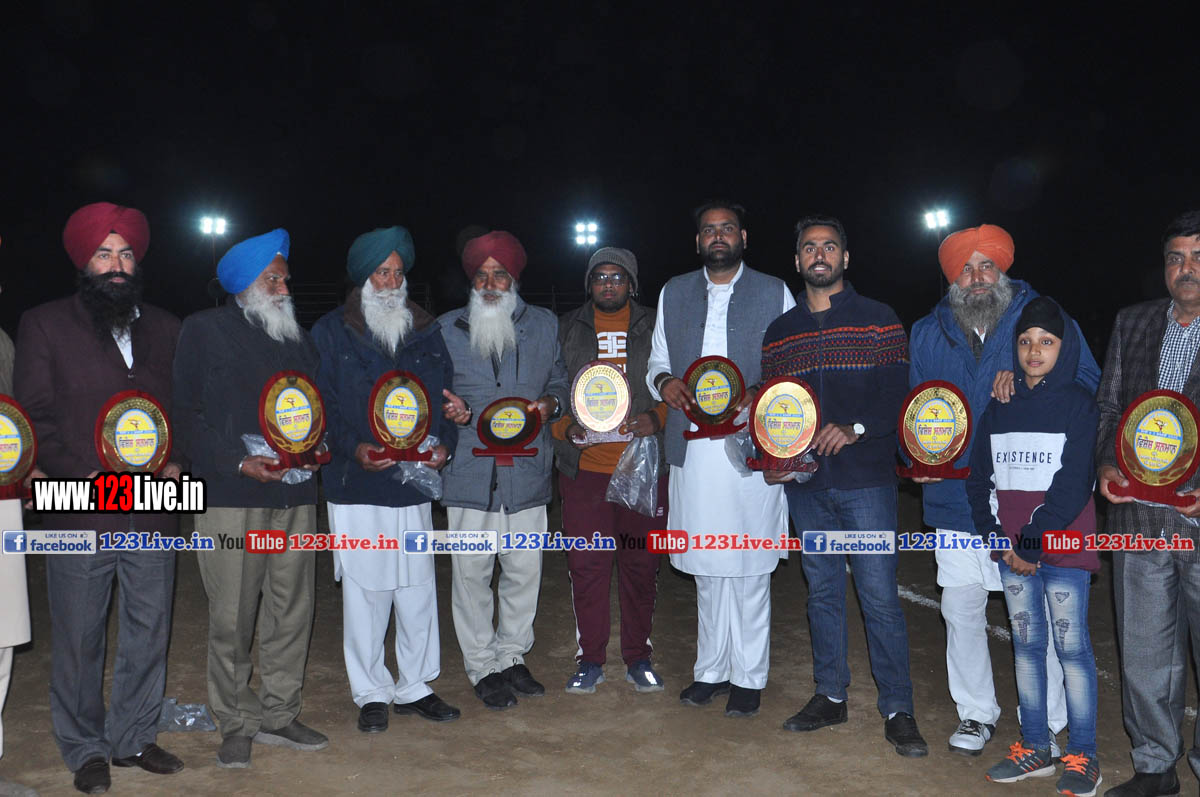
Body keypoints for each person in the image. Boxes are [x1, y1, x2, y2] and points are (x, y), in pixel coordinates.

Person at [908, 223, 1100, 755]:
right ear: (952, 279)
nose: (977, 277)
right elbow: (915, 409)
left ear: (1004, 271)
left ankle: (1050, 724)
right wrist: (915, 456)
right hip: (954, 498)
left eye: (986, 266)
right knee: (960, 608)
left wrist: (1034, 384)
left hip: (1027, 500)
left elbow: (1088, 382)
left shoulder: (1040, 317)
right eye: (966, 269)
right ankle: (975, 714)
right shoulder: (926, 331)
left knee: (1034, 620)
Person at [14, 202, 184, 793]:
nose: (116, 264)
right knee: (79, 634)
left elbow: (182, 409)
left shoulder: (167, 326)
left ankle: (133, 736)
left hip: (154, 506)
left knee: (150, 627)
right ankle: (85, 747)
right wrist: (80, 472)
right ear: (83, 263)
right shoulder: (44, 324)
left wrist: (179, 460)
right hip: (78, 505)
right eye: (104, 254)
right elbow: (34, 416)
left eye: (126, 253)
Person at [761, 215, 926, 755]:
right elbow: (773, 409)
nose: (820, 254)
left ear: (845, 258)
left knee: (879, 597)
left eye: (829, 246)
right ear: (797, 261)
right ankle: (830, 695)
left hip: (866, 483)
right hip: (807, 487)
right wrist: (772, 458)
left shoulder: (879, 319)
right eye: (810, 247)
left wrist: (855, 428)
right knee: (823, 594)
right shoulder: (780, 332)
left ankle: (899, 708)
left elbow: (898, 397)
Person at [173, 228, 327, 769]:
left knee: (292, 607)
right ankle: (236, 721)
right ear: (244, 284)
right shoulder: (204, 329)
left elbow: (314, 409)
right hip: (232, 495)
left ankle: (280, 713)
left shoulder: (298, 339)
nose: (284, 288)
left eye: (285, 278)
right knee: (233, 614)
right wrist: (236, 461)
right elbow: (183, 414)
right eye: (273, 279)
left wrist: (317, 445)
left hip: (295, 493)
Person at [646, 200, 794, 718]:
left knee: (750, 566)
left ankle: (749, 677)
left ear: (743, 238)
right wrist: (665, 383)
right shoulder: (673, 291)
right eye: (708, 230)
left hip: (750, 448)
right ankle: (710, 671)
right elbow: (657, 360)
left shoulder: (774, 290)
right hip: (692, 450)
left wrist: (758, 390)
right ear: (697, 242)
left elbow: (790, 361)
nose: (718, 236)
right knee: (708, 568)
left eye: (727, 228)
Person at [312, 226, 460, 733]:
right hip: (357, 483)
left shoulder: (426, 329)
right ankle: (371, 690)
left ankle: (415, 685)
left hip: (413, 483)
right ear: (363, 278)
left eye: (398, 272)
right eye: (382, 272)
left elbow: (446, 400)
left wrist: (445, 444)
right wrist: (353, 448)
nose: (392, 282)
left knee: (416, 587)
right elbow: (322, 407)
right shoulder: (331, 332)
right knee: (366, 591)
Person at [967, 297, 1101, 795]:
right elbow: (979, 478)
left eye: (1046, 341)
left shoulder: (1080, 405)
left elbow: (1072, 485)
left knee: (1071, 649)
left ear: (1065, 348)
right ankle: (1036, 747)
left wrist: (1030, 541)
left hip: (1061, 550)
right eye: (1025, 341)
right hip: (1013, 554)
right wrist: (994, 536)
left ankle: (1083, 755)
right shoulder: (1000, 406)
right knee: (1026, 648)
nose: (1034, 350)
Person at [438, 230, 569, 710]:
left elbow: (560, 381)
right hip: (469, 473)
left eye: (500, 274)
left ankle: (512, 655)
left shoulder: (545, 325)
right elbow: (429, 395)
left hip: (527, 472)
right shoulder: (446, 329)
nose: (490, 284)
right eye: (481, 275)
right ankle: (482, 665)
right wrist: (448, 413)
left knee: (522, 571)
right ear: (471, 281)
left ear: (514, 279)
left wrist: (551, 404)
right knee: (471, 575)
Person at [1097, 210, 1200, 797]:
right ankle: (1155, 766)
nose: (1186, 268)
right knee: (1143, 652)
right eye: (1176, 257)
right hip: (1138, 518)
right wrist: (1106, 465)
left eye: (1198, 257)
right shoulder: (1132, 322)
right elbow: (1109, 408)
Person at [551, 246, 668, 695]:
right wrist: (566, 429)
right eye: (600, 277)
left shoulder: (655, 324)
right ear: (589, 284)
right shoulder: (567, 327)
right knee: (587, 565)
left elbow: (677, 385)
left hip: (642, 468)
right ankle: (591, 659)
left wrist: (656, 418)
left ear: (632, 284)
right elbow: (552, 390)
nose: (608, 284)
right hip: (586, 471)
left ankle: (638, 657)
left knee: (640, 564)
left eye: (617, 277)